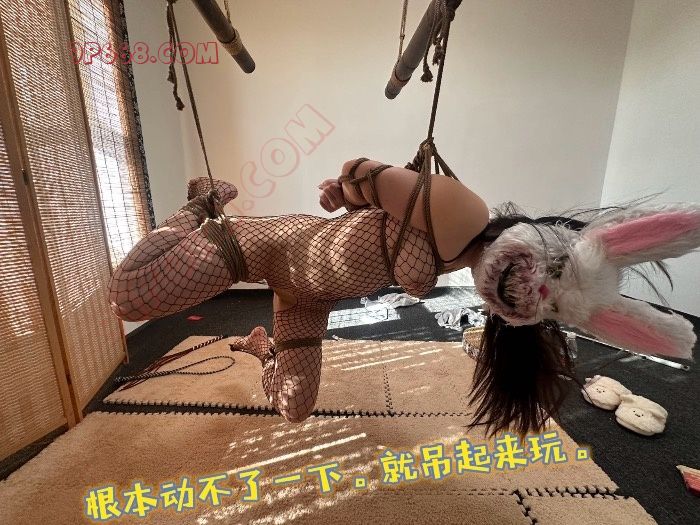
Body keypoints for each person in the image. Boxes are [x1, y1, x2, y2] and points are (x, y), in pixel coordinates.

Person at [109, 158, 700, 435]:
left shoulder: (466, 265)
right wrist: (344, 191)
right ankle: (203, 204)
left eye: (550, 305)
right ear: (547, 238)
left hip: (305, 298)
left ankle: (262, 347)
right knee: (131, 297)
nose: (535, 291)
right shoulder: (463, 212)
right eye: (556, 270)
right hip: (268, 246)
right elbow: (365, 171)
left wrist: (353, 197)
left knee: (294, 406)